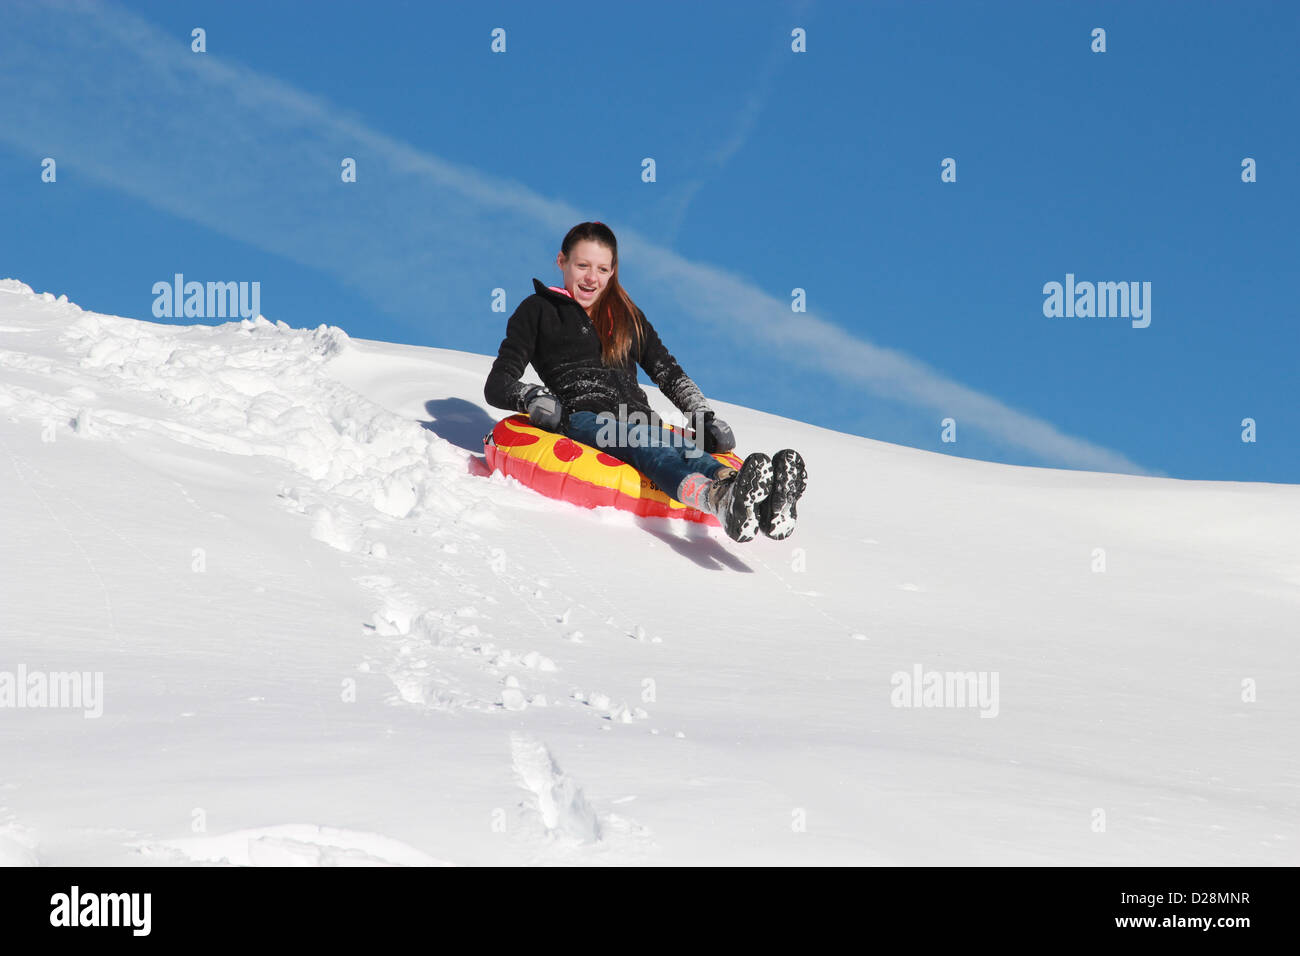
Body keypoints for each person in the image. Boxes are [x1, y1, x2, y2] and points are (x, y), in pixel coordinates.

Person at [484, 221, 806, 543]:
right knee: (647, 443)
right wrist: (532, 397)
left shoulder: (625, 316)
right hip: (584, 418)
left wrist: (703, 417)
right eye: (582, 265)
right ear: (562, 261)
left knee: (686, 450)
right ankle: (715, 499)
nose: (591, 278)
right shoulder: (539, 310)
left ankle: (758, 501)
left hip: (641, 419)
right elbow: (499, 382)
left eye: (601, 268)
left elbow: (668, 372)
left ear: (612, 271)